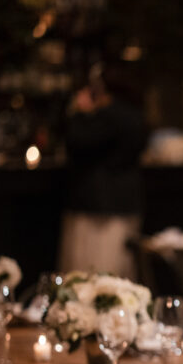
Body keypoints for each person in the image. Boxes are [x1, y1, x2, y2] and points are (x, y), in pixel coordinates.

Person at [58, 62, 147, 278]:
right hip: (126, 201)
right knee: (119, 272)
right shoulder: (135, 115)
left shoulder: (106, 117)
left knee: (91, 273)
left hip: (98, 206)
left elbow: (75, 143)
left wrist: (79, 112)